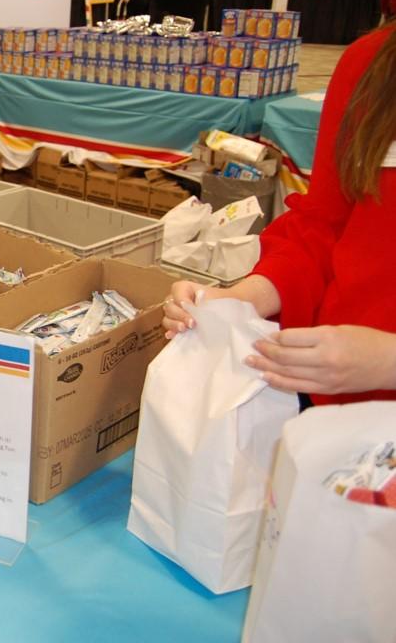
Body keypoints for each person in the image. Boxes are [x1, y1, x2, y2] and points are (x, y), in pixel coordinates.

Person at [163, 22, 396, 406]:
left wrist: (385, 361)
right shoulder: (371, 64)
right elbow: (324, 224)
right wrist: (241, 299)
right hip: (332, 403)